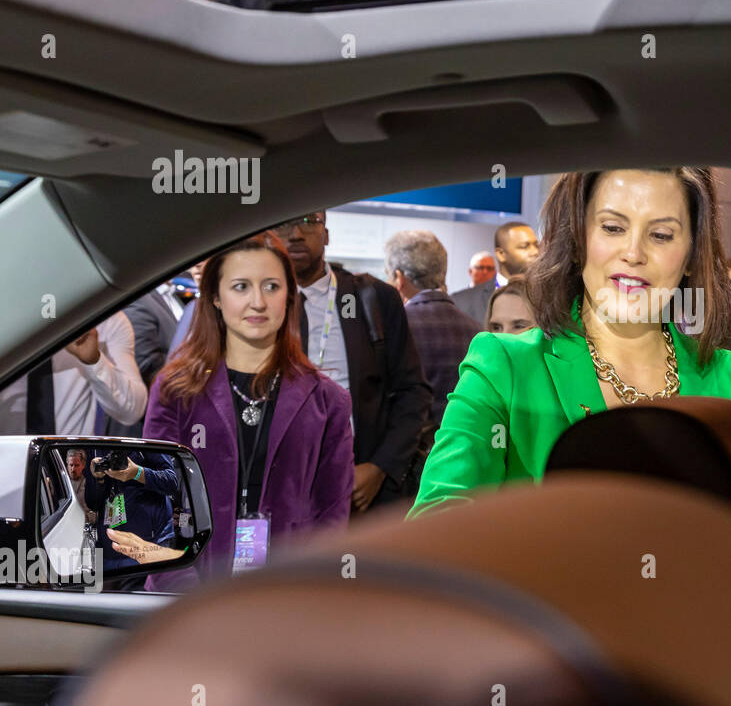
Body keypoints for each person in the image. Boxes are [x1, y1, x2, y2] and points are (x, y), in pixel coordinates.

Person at [409, 168, 731, 516]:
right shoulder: (505, 365)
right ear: (579, 240)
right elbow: (436, 524)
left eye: (660, 234)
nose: (633, 253)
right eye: (612, 228)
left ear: (691, 254)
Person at [137, 233, 354, 590]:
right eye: (241, 287)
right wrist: (187, 596)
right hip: (182, 601)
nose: (258, 302)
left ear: (289, 296)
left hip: (286, 600)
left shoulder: (328, 401)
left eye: (271, 286)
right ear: (217, 298)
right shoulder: (176, 390)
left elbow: (331, 514)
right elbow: (156, 500)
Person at [273, 211, 432, 516]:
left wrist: (380, 467)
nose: (295, 233)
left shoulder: (373, 298)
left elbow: (413, 391)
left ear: (327, 233)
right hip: (282, 488)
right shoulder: (258, 307)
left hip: (361, 489)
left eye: (308, 221)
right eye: (283, 223)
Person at [384, 230, 480, 496]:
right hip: (464, 470)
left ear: (399, 278)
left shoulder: (392, 331)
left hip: (405, 475)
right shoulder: (478, 330)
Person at [0, 311, 146, 436]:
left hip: (70, 463)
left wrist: (95, 361)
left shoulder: (105, 317)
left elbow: (132, 411)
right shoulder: (7, 315)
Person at [84, 449, 178, 588]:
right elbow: (93, 503)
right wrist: (98, 479)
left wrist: (137, 473)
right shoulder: (97, 445)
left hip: (147, 547)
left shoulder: (146, 435)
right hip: (110, 552)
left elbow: (171, 482)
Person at [104, 279, 185, 438]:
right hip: (142, 433)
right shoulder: (137, 298)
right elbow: (145, 367)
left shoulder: (171, 297)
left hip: (170, 423)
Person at [452, 222, 541, 324]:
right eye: (525, 246)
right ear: (501, 254)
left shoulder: (550, 299)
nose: (535, 252)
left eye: (536, 245)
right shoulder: (463, 302)